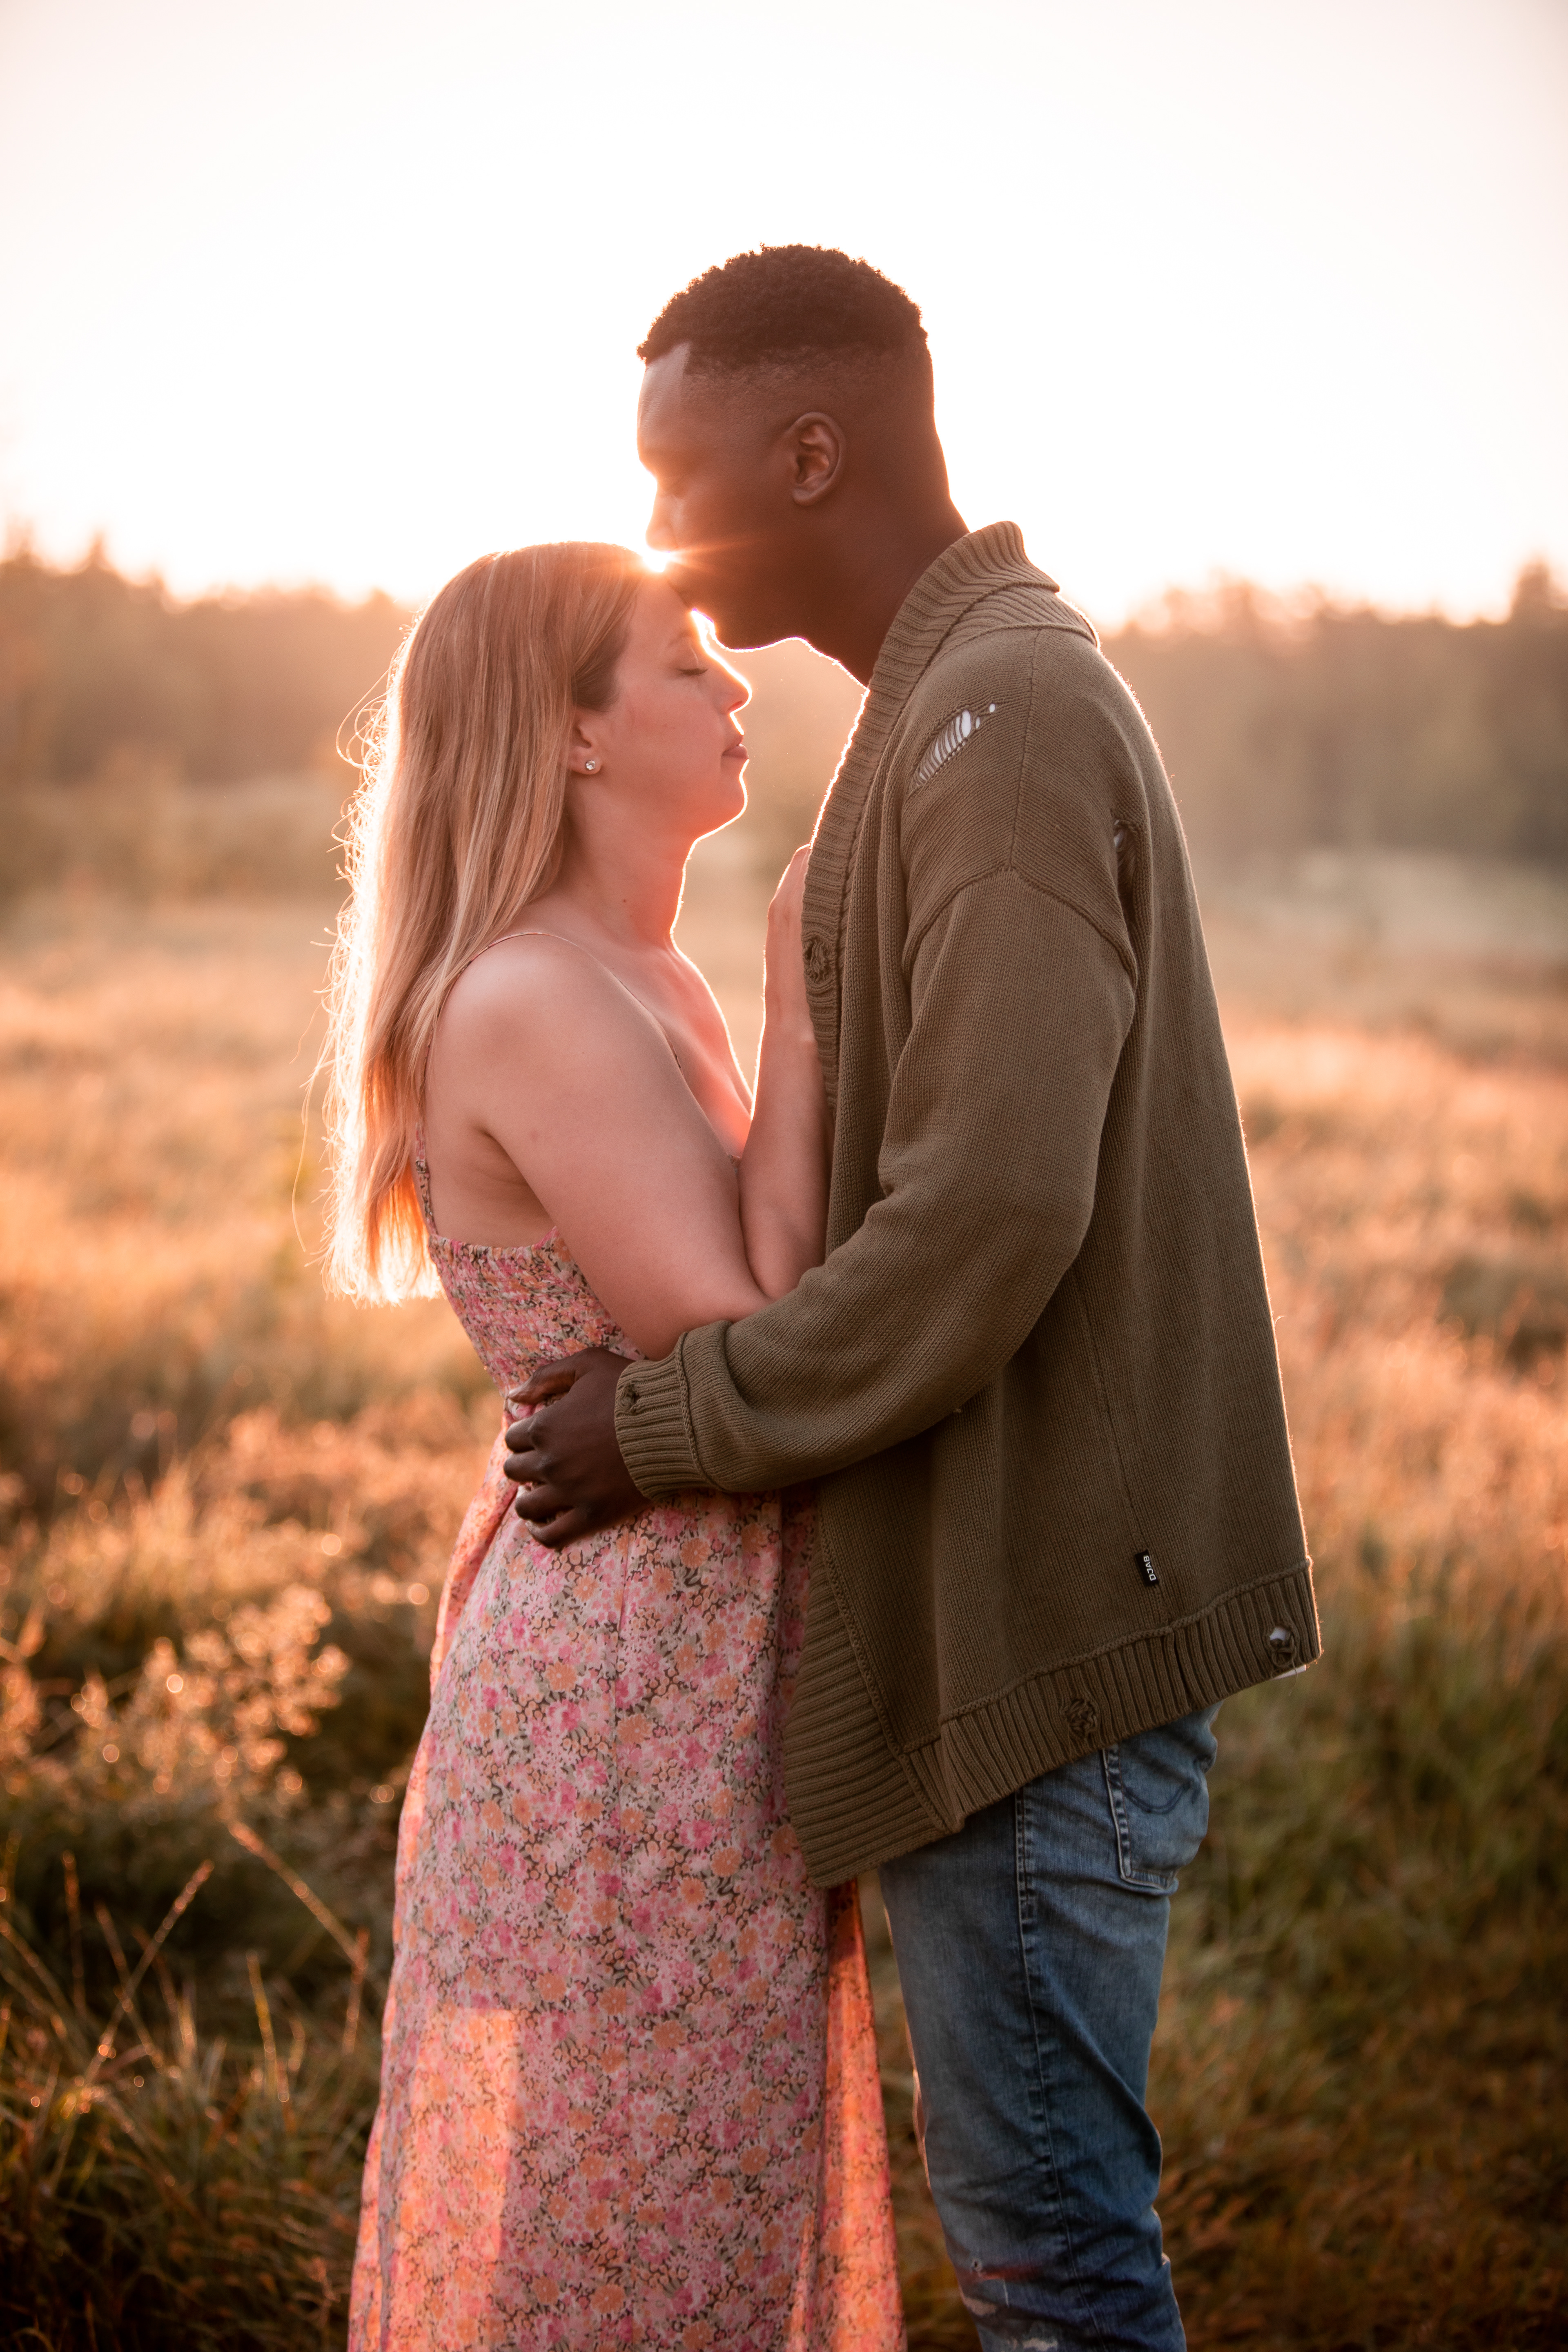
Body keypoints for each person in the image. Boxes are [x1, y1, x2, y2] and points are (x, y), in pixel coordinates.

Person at [502, 245, 1319, 2351]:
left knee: (1053, 2275)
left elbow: (976, 1231)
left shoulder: (1004, 721)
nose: (659, 533)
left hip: (1046, 1627)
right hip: (1007, 1607)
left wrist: (658, 1424)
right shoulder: (949, 717)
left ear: (811, 445)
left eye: (677, 480)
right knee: (1039, 2250)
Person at [325, 540, 904, 2349]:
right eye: (688, 666)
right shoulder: (535, 997)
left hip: (698, 1646)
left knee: (691, 2194)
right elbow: (740, 1332)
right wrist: (810, 1005)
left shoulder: (645, 979)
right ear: (570, 735)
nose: (741, 691)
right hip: (621, 1685)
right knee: (621, 2218)